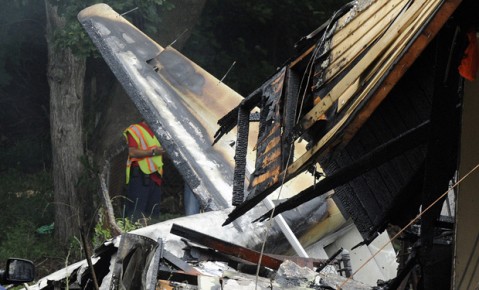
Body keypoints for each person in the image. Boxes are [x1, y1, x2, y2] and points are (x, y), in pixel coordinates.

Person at [123, 121, 165, 222]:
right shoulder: (135, 130)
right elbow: (132, 152)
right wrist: (153, 152)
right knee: (136, 215)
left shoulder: (159, 131)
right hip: (140, 178)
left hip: (155, 178)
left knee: (153, 217)